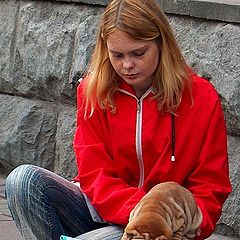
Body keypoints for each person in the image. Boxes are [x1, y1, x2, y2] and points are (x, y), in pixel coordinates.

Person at [5, 0, 232, 239]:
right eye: (117, 55)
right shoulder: (93, 91)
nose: (127, 65)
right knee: (22, 181)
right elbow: (94, 174)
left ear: (161, 44)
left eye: (138, 53)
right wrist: (138, 210)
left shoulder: (200, 97)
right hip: (102, 211)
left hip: (160, 229)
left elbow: (211, 186)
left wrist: (181, 227)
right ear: (106, 50)